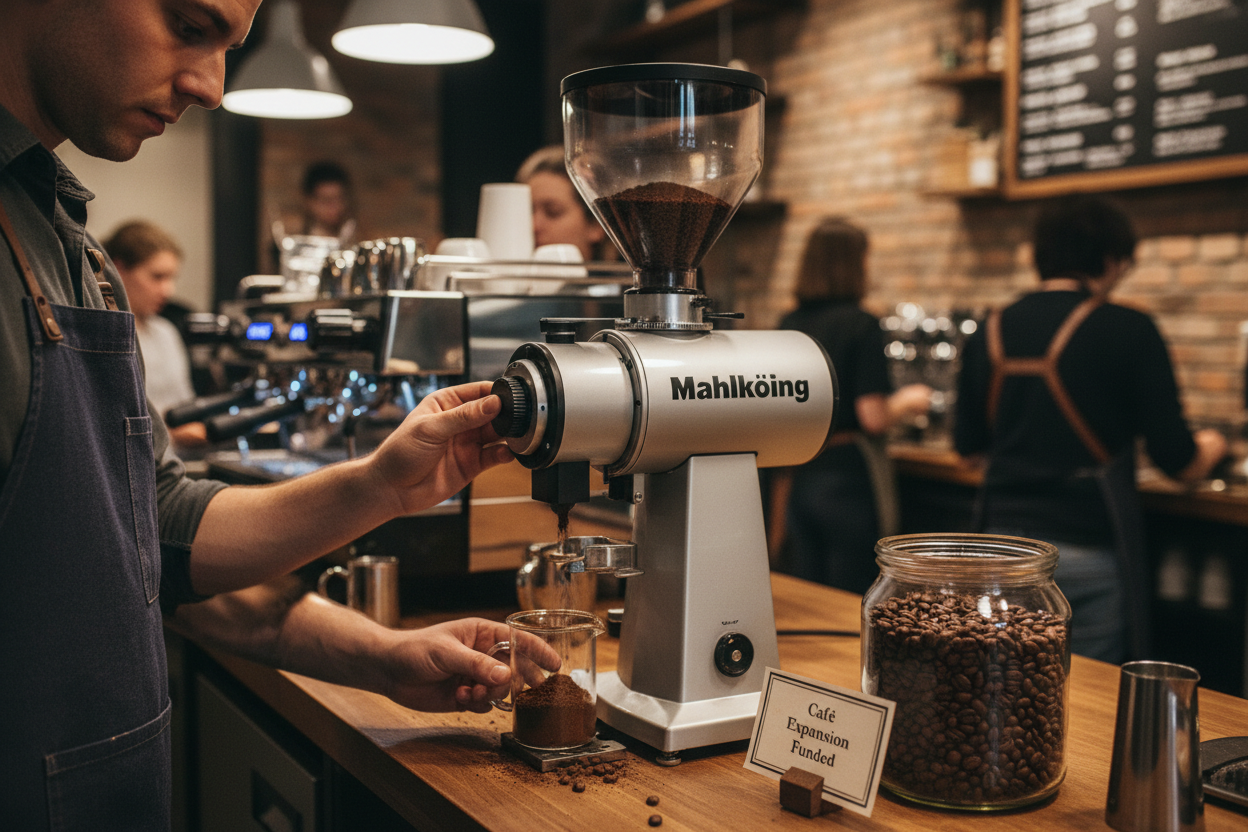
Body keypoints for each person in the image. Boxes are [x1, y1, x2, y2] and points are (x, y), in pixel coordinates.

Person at [0, 2, 557, 828]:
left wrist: (381, 497)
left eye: (230, 46)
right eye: (189, 26)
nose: (213, 87)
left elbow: (145, 534)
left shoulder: (67, 239)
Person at [954, 194, 1227, 664]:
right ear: (1108, 260)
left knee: (1000, 695)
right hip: (1089, 549)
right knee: (1090, 699)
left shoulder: (990, 328)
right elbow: (1179, 461)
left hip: (1000, 556)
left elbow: (967, 451)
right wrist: (1216, 444)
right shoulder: (1130, 328)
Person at [773, 218, 932, 594]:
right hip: (848, 479)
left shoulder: (789, 324)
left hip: (799, 475)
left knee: (810, 595)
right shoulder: (861, 324)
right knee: (855, 596)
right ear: (852, 264)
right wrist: (908, 402)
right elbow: (872, 417)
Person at [103, 220, 206, 451]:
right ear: (119, 270)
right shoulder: (103, 336)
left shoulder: (166, 332)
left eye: (172, 278)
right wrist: (172, 431)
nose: (168, 290)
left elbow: (186, 405)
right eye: (157, 277)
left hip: (174, 464)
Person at [516, 144, 614, 262]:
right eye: (526, 213)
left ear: (596, 224)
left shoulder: (628, 280)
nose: (534, 226)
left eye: (553, 212)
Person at [298, 160, 356, 242]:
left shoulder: (357, 241)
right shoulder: (289, 247)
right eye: (326, 200)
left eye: (339, 199)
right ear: (309, 201)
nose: (334, 206)